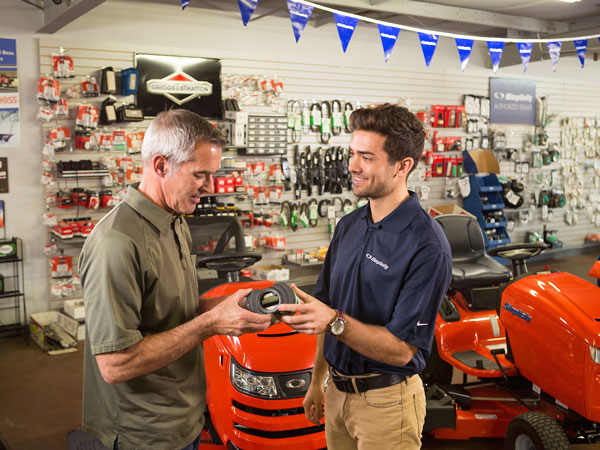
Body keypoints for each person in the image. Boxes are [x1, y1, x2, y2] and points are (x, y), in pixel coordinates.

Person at [79, 109, 273, 450]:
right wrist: (212, 324)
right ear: (160, 166)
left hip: (184, 418)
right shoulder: (116, 243)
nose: (210, 188)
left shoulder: (175, 219)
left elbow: (169, 311)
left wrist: (227, 305)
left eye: (212, 175)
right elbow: (115, 363)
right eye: (200, 174)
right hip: (143, 434)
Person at [278, 103, 452, 449]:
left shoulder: (428, 245)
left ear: (403, 166)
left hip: (388, 403)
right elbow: (326, 306)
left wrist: (333, 322)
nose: (352, 166)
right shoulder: (349, 225)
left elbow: (402, 350)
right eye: (352, 153)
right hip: (338, 394)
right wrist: (318, 381)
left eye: (367, 158)